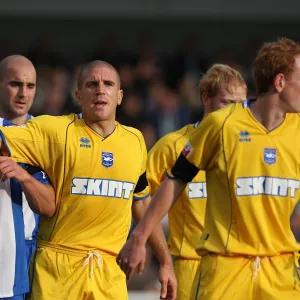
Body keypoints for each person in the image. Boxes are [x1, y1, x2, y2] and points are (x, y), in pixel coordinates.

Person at [117, 37, 300, 299]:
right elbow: (174, 179)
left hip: (281, 268)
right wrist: (140, 236)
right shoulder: (220, 125)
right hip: (225, 265)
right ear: (280, 82)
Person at [0, 60, 176, 300]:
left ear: (120, 96)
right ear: (78, 95)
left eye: (108, 84)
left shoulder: (134, 141)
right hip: (58, 271)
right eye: (92, 84)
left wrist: (166, 261)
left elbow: (141, 204)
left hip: (109, 272)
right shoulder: (54, 130)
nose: (100, 89)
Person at [146, 64, 247, 299]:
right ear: (206, 99)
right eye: (227, 103)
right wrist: (161, 257)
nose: (235, 112)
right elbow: (138, 199)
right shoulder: (173, 146)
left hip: (240, 267)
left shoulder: (251, 149)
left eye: (242, 104)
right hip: (190, 267)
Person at [0, 55, 55, 300]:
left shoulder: (50, 136)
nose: (23, 93)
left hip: (42, 254)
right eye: (15, 84)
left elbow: (50, 206)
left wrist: (23, 176)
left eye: (30, 86)